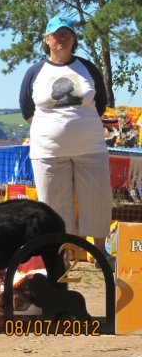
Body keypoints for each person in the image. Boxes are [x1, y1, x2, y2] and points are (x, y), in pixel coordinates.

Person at [19, 15, 113, 266]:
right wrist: (53, 131)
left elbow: (100, 104)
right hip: (48, 151)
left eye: (67, 34)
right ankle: (61, 253)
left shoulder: (88, 68)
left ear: (74, 39)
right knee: (52, 204)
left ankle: (100, 252)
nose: (61, 39)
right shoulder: (34, 72)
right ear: (46, 40)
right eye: (56, 34)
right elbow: (27, 108)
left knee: (98, 198)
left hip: (90, 147)